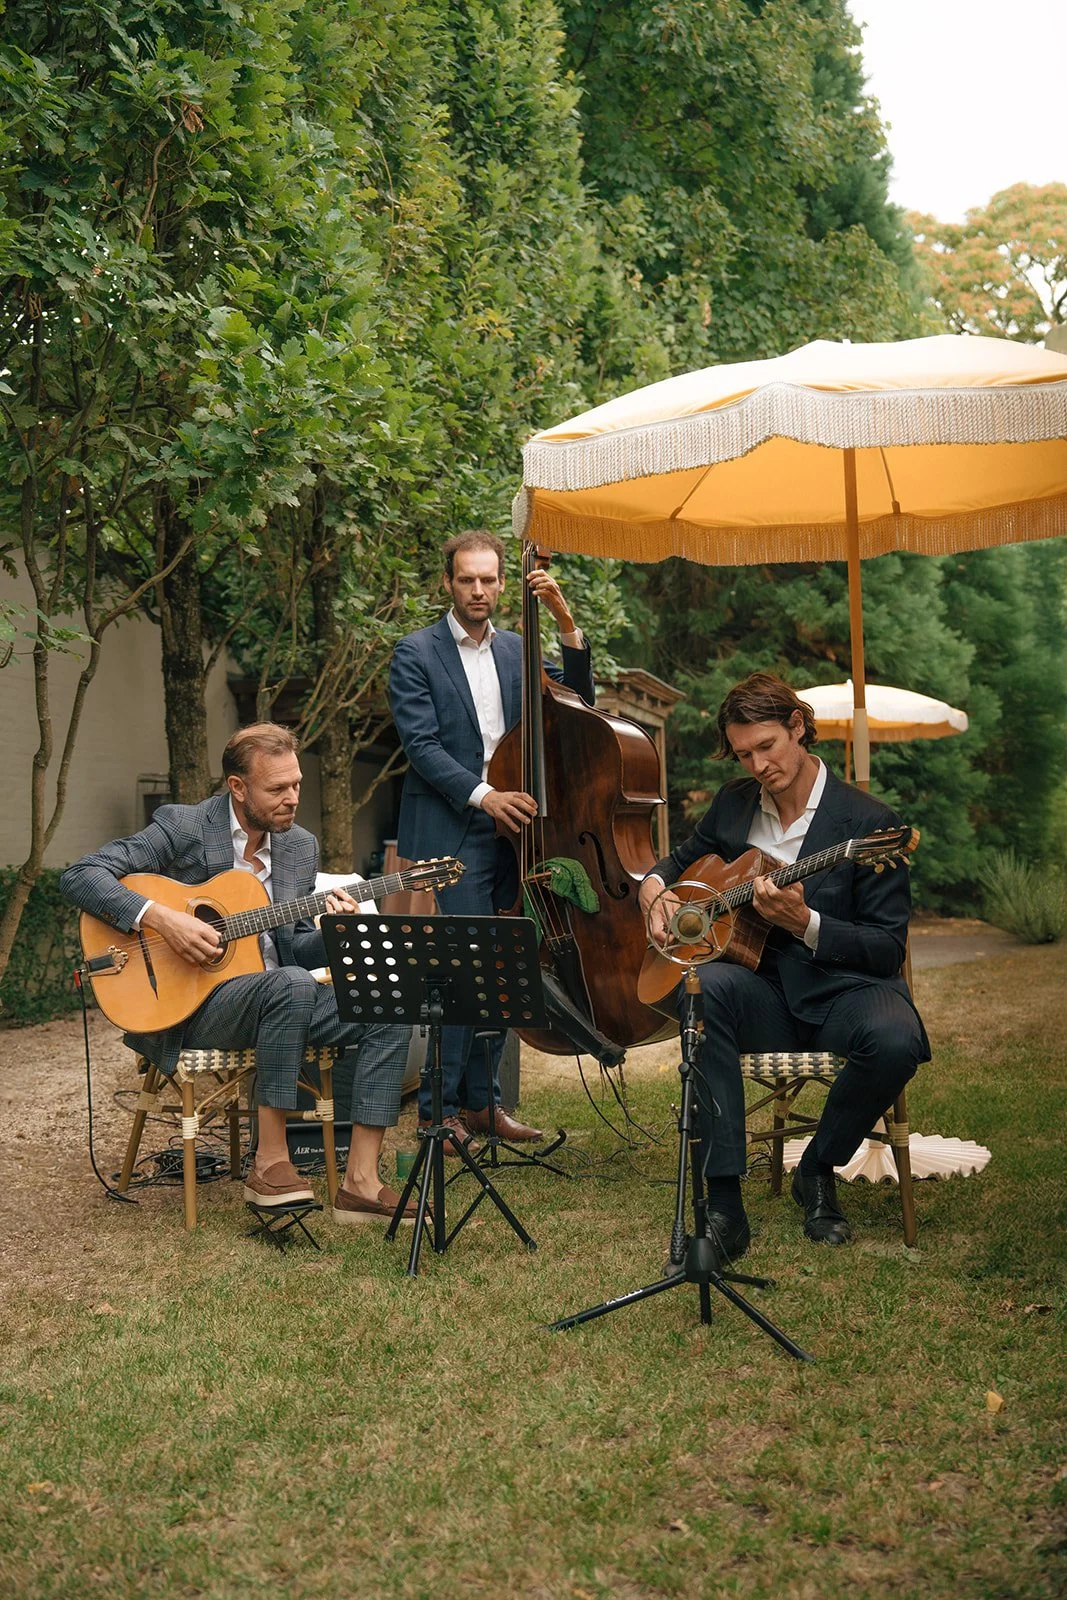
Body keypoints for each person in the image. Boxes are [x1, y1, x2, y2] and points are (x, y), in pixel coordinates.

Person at [61, 723, 416, 1226]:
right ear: (238, 787)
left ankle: (360, 1181)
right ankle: (270, 1161)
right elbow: (81, 876)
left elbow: (293, 948)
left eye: (296, 784)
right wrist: (164, 919)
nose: (292, 798)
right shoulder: (184, 827)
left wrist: (340, 933)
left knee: (389, 997)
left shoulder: (298, 846)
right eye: (278, 789)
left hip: (281, 1000)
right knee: (288, 987)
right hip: (198, 1007)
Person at [638, 672, 929, 1256]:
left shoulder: (870, 824)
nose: (757, 765)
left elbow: (886, 949)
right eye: (744, 753)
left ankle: (817, 1168)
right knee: (703, 989)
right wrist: (653, 889)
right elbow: (677, 861)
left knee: (897, 1040)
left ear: (798, 727)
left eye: (766, 746)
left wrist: (805, 923)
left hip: (845, 991)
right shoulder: (735, 804)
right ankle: (723, 1206)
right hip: (762, 992)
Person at [389, 529, 595, 1149]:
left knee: (507, 965)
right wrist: (486, 796)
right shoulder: (415, 652)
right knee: (463, 966)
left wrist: (562, 618)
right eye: (466, 579)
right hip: (459, 826)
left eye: (489, 579)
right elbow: (421, 747)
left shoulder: (518, 648)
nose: (478, 590)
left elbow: (580, 700)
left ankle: (484, 1105)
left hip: (522, 830)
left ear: (504, 584)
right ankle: (437, 1112)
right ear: (448, 583)